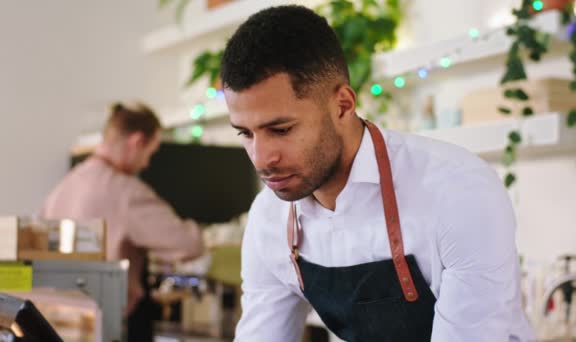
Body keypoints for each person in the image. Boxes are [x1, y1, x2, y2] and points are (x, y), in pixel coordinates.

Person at [221, 5, 535, 342]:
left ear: (342, 105)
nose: (261, 158)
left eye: (281, 130)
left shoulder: (458, 191)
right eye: (246, 134)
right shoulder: (269, 217)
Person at [41, 102, 203, 342]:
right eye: (150, 152)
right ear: (137, 142)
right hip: (111, 326)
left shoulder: (65, 186)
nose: (146, 163)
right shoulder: (125, 192)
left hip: (60, 324)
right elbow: (188, 244)